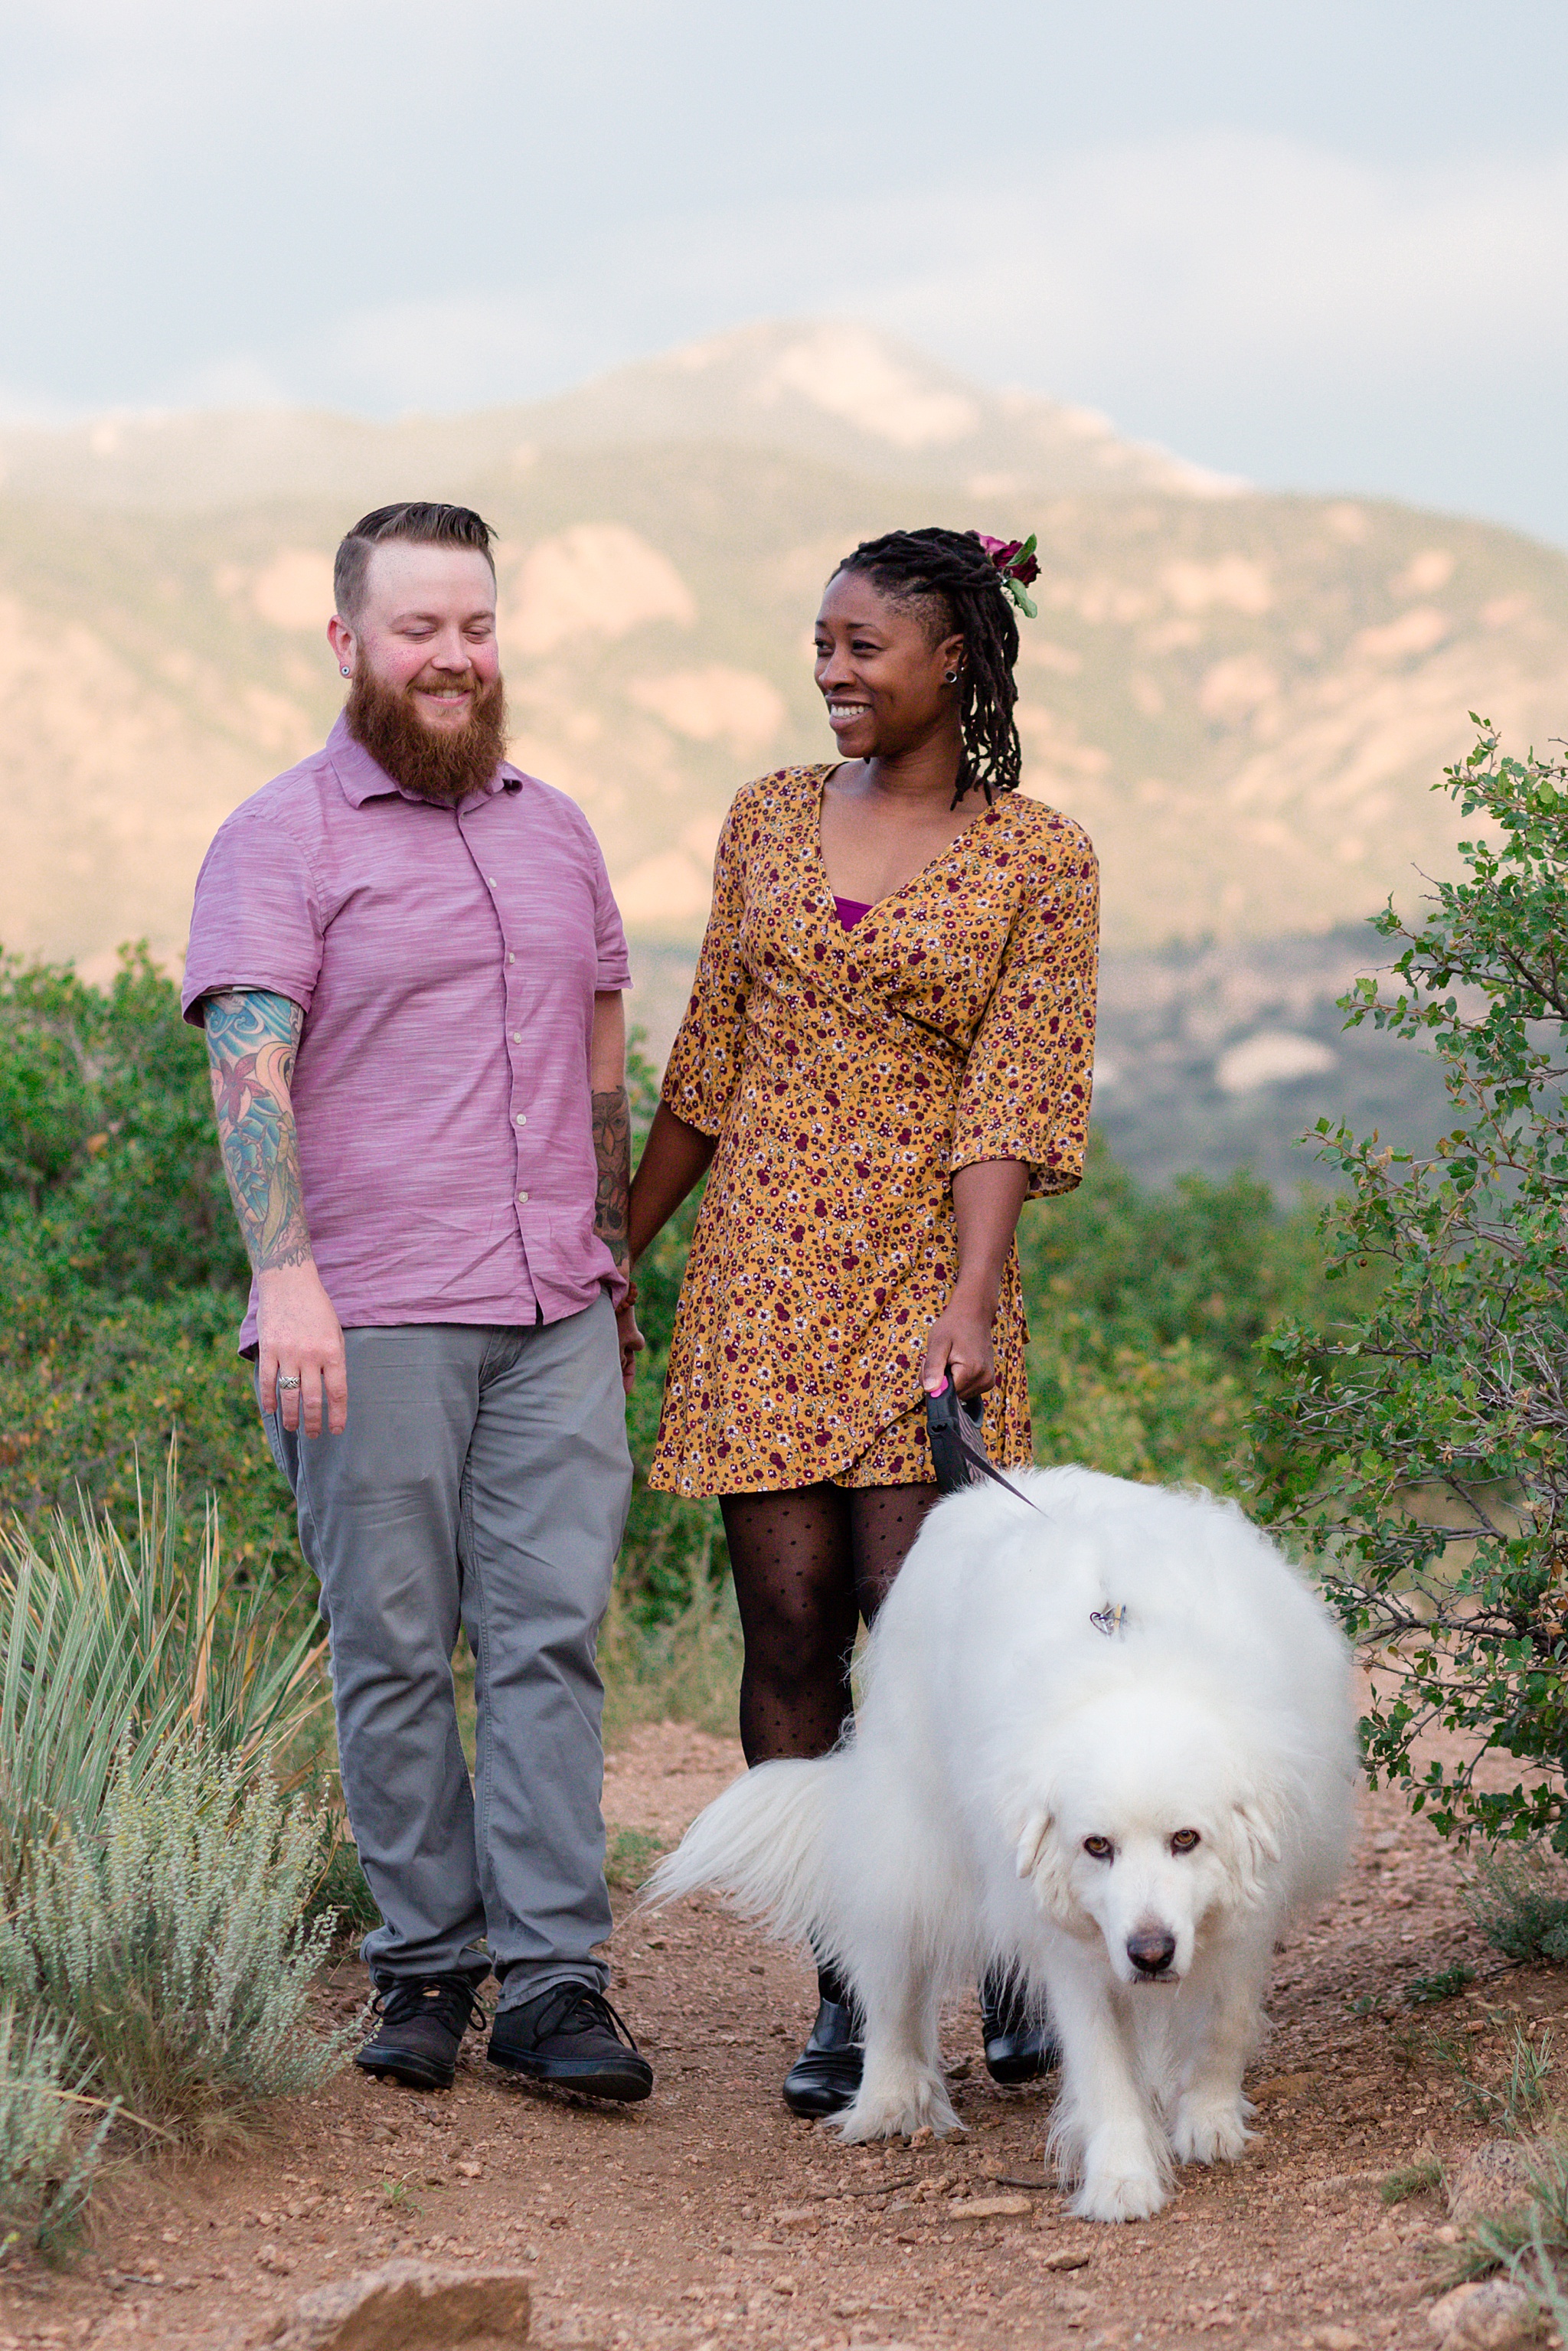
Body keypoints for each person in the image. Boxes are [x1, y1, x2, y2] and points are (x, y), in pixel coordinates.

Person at [183, 501, 652, 2103]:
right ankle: (424, 1967)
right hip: (364, 1312)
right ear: (348, 644)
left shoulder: (556, 830)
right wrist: (286, 1276)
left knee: (547, 1641)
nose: (453, 658)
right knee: (390, 1646)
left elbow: (599, 1057)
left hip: (552, 1310)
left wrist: (613, 1258)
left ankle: (556, 1981)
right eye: (417, 630)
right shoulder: (282, 835)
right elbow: (245, 1066)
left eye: (475, 626)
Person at [628, 525, 1098, 2114]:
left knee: (938, 1637)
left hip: (918, 1275)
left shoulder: (1039, 856)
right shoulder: (763, 820)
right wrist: (622, 1248)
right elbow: (707, 1062)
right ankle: (853, 1985)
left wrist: (968, 1300)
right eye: (818, 642)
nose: (830, 670)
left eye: (861, 646)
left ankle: (1022, 1959)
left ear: (951, 657)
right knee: (791, 1633)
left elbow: (1012, 1094)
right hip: (760, 1276)